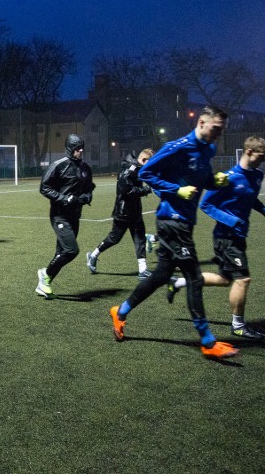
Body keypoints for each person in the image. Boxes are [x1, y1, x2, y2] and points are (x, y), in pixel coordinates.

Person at [108, 105, 239, 359]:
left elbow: (200, 179)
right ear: (201, 122)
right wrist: (175, 190)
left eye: (221, 131)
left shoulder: (208, 148)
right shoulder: (177, 147)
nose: (217, 136)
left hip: (185, 222)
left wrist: (214, 181)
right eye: (215, 129)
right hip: (172, 221)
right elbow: (146, 173)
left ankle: (120, 311)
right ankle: (208, 342)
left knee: (161, 275)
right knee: (194, 277)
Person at [167, 136, 265, 340]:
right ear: (249, 152)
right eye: (261, 156)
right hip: (226, 237)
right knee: (243, 279)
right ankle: (239, 326)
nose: (263, 160)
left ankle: (178, 282)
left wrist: (262, 209)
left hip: (239, 235)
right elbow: (206, 204)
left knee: (225, 280)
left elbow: (249, 196)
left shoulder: (258, 175)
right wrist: (229, 220)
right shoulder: (229, 177)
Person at [36, 134, 95, 298]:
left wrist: (88, 196)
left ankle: (44, 283)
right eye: (77, 148)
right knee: (71, 250)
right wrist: (63, 198)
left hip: (75, 215)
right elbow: (44, 187)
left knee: (61, 252)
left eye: (82, 147)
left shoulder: (85, 168)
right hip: (59, 216)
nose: (81, 150)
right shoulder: (58, 165)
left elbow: (89, 187)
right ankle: (45, 276)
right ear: (70, 148)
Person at [86, 148, 156, 278]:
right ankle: (93, 255)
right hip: (123, 212)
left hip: (135, 211)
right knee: (114, 238)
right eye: (150, 163)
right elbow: (126, 190)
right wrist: (146, 190)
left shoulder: (138, 168)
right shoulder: (129, 169)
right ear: (144, 160)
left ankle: (143, 270)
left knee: (140, 238)